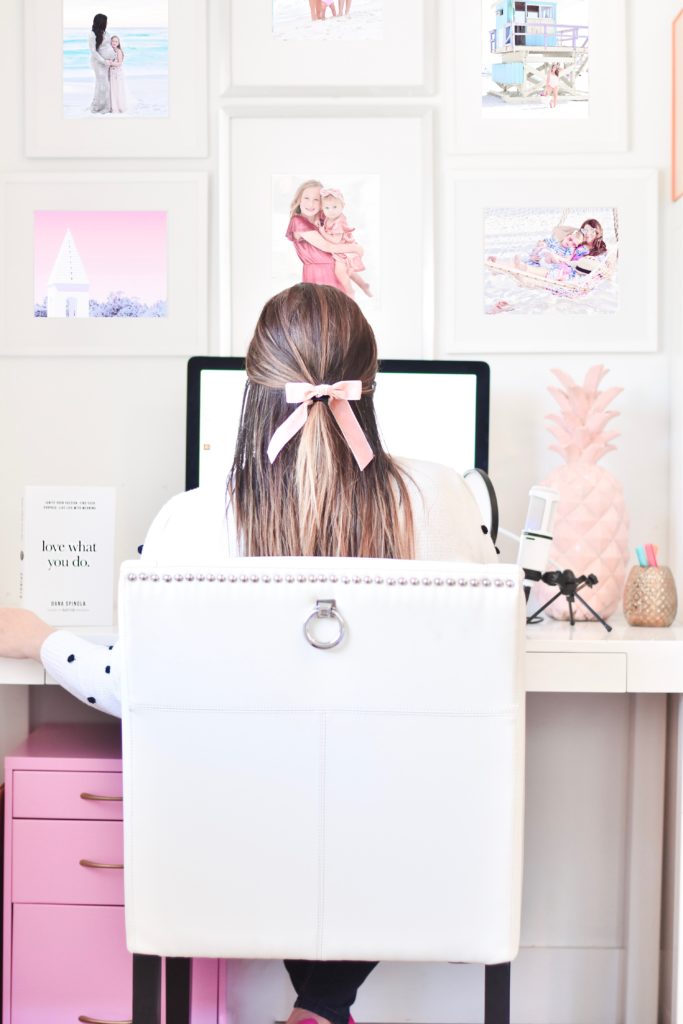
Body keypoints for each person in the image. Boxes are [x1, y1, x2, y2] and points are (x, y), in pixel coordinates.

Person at [0, 284, 497, 1024]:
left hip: (234, 847)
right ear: (370, 385)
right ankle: (323, 1008)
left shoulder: (192, 520)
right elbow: (495, 629)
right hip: (403, 851)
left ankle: (319, 1010)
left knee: (288, 778)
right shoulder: (446, 499)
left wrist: (44, 639)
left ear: (252, 389)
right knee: (359, 775)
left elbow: (134, 683)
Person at [285, 181, 364, 292]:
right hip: (317, 275)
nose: (311, 204)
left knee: (339, 305)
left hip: (336, 272)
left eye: (316, 199)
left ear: (322, 203)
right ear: (299, 200)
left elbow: (340, 233)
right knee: (321, 305)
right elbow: (328, 247)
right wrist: (355, 248)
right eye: (306, 198)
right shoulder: (298, 222)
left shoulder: (324, 220)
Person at [319, 188, 372, 297]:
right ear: (322, 208)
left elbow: (336, 240)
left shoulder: (339, 221)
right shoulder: (329, 217)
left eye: (335, 207)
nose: (331, 210)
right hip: (339, 249)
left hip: (343, 250)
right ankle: (364, 284)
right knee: (349, 271)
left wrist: (322, 233)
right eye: (327, 208)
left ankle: (349, 291)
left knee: (340, 272)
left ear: (342, 206)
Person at [89, 13, 115, 114]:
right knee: (103, 85)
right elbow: (93, 51)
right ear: (101, 22)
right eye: (106, 21)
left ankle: (104, 106)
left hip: (107, 63)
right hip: (98, 62)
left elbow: (108, 46)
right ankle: (99, 107)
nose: (107, 23)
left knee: (104, 84)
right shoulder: (92, 35)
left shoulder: (105, 33)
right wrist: (104, 61)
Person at [109, 35, 127, 113]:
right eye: (113, 41)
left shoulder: (118, 51)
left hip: (117, 73)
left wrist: (111, 63)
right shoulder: (110, 50)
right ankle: (113, 107)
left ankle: (119, 107)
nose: (114, 43)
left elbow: (119, 63)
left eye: (116, 41)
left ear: (118, 43)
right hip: (111, 72)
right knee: (112, 90)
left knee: (118, 89)